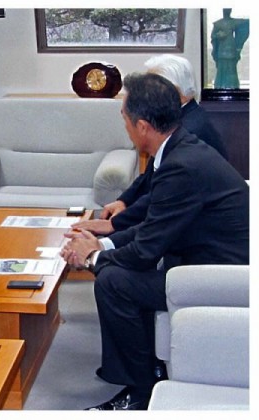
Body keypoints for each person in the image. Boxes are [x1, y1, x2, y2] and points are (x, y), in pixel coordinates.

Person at [60, 72, 249, 410]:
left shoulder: (182, 166)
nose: (126, 126)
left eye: (125, 119)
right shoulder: (181, 148)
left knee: (114, 280)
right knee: (113, 272)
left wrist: (92, 258)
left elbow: (146, 251)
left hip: (222, 277)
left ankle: (141, 391)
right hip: (202, 259)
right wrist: (106, 242)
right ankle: (145, 367)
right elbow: (156, 226)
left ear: (143, 126)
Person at [73, 54, 226, 236]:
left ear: (173, 91)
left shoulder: (190, 130)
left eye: (154, 86)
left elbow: (162, 197)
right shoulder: (174, 120)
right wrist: (124, 202)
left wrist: (115, 227)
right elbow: (150, 176)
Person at [211, 8, 249, 89]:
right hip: (221, 48)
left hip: (231, 47)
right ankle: (220, 86)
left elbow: (247, 24)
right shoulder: (218, 23)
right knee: (221, 67)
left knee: (231, 68)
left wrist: (238, 46)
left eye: (228, 10)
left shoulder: (234, 22)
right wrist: (218, 35)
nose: (226, 11)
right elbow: (213, 36)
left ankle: (233, 86)